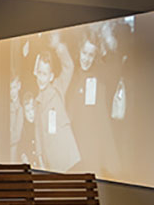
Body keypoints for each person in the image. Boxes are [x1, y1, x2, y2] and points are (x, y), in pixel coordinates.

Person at [66, 30, 120, 176]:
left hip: (90, 147)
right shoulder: (71, 74)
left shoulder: (97, 79)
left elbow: (102, 118)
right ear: (79, 51)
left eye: (91, 55)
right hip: (71, 145)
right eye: (84, 53)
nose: (86, 59)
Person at [33, 37, 80, 171]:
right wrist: (40, 159)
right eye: (39, 73)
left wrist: (59, 46)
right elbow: (37, 133)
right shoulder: (37, 101)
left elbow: (69, 67)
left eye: (45, 74)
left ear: (51, 76)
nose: (41, 78)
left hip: (68, 160)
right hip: (51, 163)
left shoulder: (58, 87)